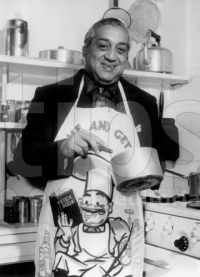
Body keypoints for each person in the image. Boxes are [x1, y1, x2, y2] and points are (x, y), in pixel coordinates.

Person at [13, 17, 165, 277]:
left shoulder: (144, 103)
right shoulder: (51, 96)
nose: (112, 57)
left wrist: (151, 172)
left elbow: (160, 160)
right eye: (103, 46)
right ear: (86, 50)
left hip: (120, 235)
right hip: (66, 231)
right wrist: (62, 148)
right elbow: (24, 159)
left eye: (121, 49)